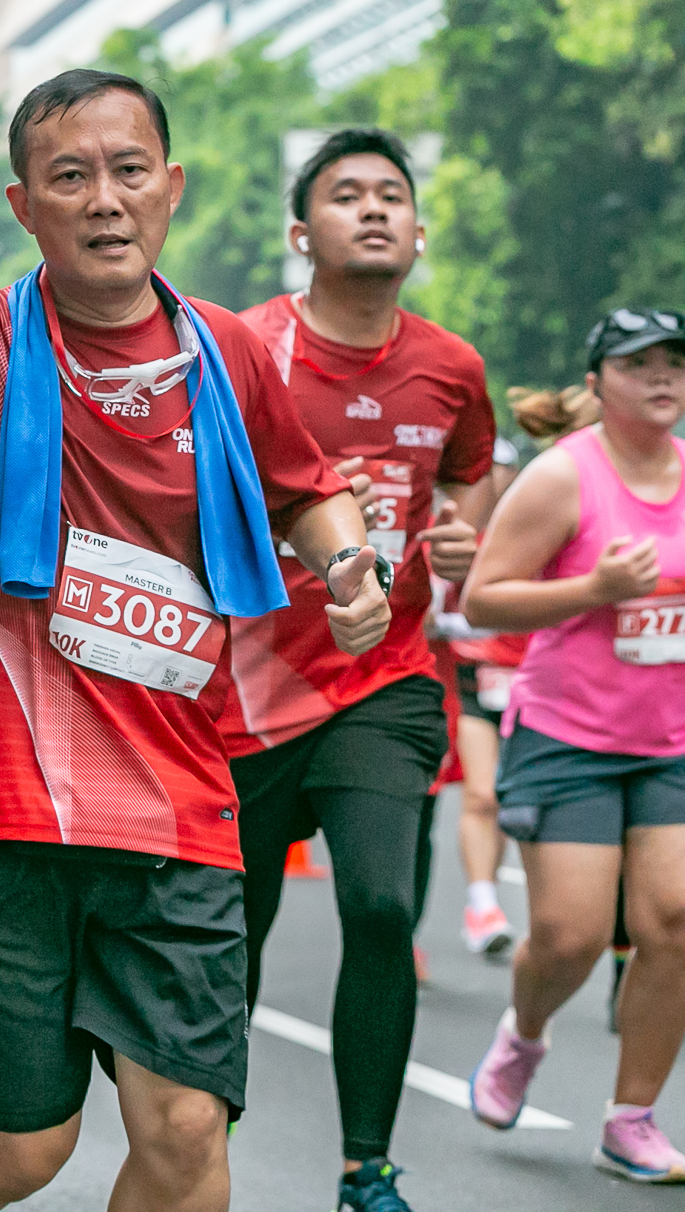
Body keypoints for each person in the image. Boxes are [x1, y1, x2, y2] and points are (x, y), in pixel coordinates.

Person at [0, 0, 386, 1212]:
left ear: (172, 186)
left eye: (129, 170)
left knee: (187, 1130)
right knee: (27, 1147)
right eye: (70, 177)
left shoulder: (228, 351)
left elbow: (307, 487)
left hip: (174, 805)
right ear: (24, 205)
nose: (105, 199)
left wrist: (348, 564)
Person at [216, 127, 497, 1210]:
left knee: (382, 905)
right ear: (302, 233)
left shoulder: (453, 367)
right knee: (233, 939)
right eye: (346, 194)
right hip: (244, 689)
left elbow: (468, 483)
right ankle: (197, 1148)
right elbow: (184, 497)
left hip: (386, 678)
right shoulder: (247, 347)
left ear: (418, 233)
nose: (374, 208)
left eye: (392, 194)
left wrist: (463, 540)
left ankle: (365, 1168)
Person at [464, 309, 685, 1184]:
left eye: (674, 362)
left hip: (669, 739)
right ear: (597, 384)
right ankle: (524, 1034)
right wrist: (595, 587)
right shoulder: (563, 477)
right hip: (570, 736)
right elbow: (484, 598)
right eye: (638, 363)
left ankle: (631, 1119)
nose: (662, 376)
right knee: (571, 934)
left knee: (674, 921)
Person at [433, 436, 529, 956]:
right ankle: (482, 904)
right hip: (473, 678)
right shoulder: (450, 536)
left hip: (527, 680)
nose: (492, 479)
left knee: (512, 801)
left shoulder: (535, 529)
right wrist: (462, 627)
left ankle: (490, 895)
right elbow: (427, 610)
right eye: (484, 469)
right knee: (482, 795)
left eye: (502, 469)